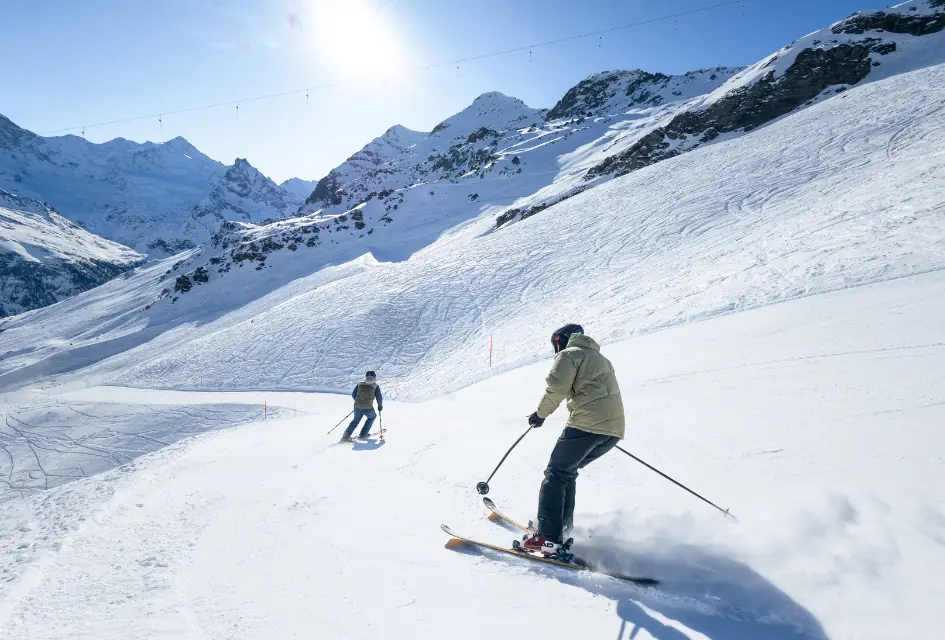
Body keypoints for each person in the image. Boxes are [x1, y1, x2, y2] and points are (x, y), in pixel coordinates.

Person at [520, 324, 625, 558]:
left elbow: (556, 388)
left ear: (560, 340)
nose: (555, 349)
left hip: (587, 425)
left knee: (556, 473)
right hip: (612, 430)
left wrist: (540, 415)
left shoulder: (569, 354)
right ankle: (561, 529)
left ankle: (548, 537)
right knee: (566, 472)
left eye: (555, 344)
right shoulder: (600, 358)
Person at [340, 370, 383, 442]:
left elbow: (353, 395)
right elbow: (379, 398)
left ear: (366, 377)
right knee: (372, 417)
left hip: (357, 407)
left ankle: (345, 437)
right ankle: (363, 434)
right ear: (374, 377)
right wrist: (380, 406)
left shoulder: (360, 384)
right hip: (368, 408)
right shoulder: (375, 386)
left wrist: (359, 402)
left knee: (355, 421)